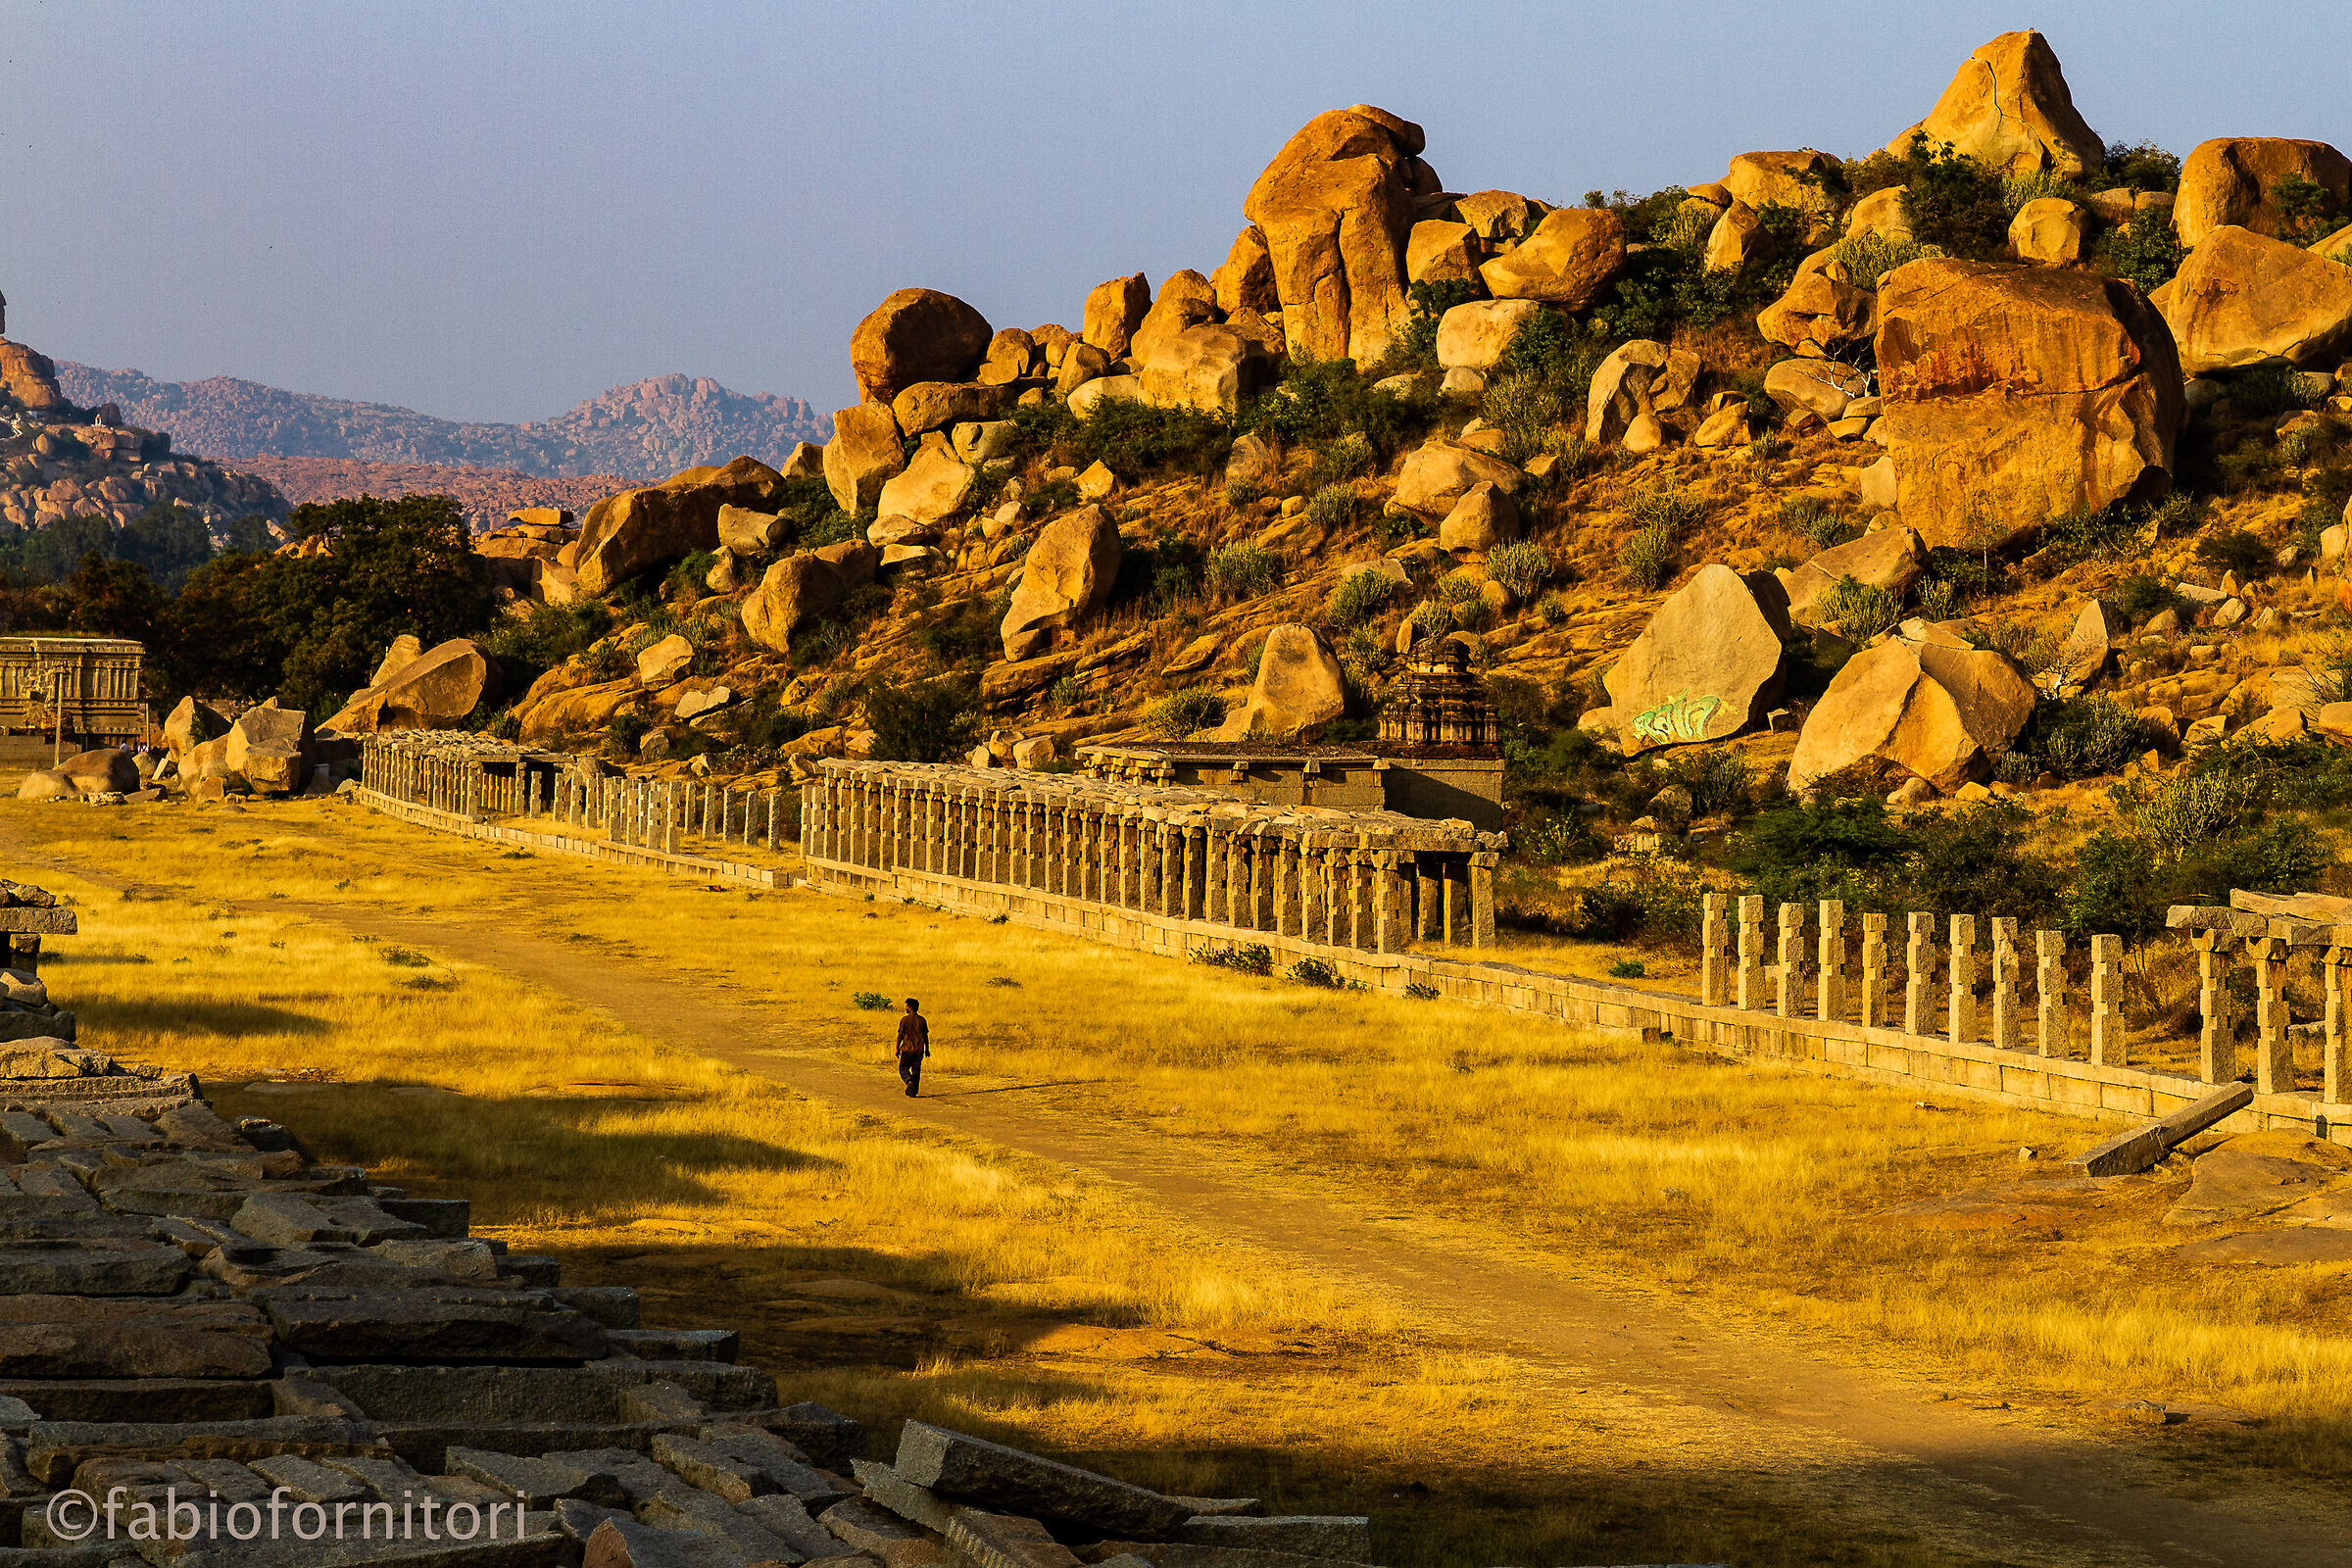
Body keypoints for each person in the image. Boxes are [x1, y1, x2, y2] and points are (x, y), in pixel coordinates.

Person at [895, 998, 930, 1098]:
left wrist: (897, 1047)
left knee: (903, 1068)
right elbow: (925, 1036)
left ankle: (909, 1081)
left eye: (906, 1006)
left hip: (907, 1049)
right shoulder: (922, 1020)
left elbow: (900, 1035)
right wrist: (927, 1049)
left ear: (910, 1008)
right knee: (916, 1071)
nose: (905, 1008)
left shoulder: (904, 1020)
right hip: (919, 1050)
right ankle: (913, 1092)